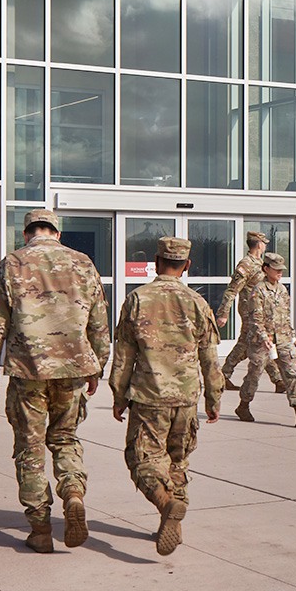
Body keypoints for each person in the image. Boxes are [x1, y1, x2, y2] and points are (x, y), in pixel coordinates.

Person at [0, 208, 111, 554]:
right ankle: (73, 492)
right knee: (65, 438)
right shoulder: (83, 263)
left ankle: (40, 528)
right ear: (57, 233)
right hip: (73, 370)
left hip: (27, 372)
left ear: (26, 234)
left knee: (29, 448)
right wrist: (97, 367)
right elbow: (99, 322)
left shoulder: (11, 264)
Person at [109, 235, 224, 557]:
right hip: (186, 399)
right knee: (177, 461)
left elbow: (123, 355)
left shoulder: (137, 299)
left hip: (149, 398)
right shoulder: (198, 303)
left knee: (141, 459)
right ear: (186, 266)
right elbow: (210, 360)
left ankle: (166, 503)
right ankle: (174, 518)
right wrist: (214, 399)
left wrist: (118, 395)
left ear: (156, 263)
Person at [234, 252, 296, 428]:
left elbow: (285, 316)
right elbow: (255, 319)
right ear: (266, 269)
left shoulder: (282, 289)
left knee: (291, 374)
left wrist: (293, 337)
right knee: (254, 375)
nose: (280, 272)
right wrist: (264, 337)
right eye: (276, 269)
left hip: (283, 339)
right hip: (262, 341)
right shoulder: (258, 290)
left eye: (281, 270)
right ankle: (243, 406)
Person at [221, 230, 284, 394]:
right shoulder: (246, 265)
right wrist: (223, 313)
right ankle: (278, 380)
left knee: (251, 343)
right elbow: (231, 291)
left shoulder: (261, 263)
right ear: (259, 244)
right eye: (264, 243)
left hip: (261, 311)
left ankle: (223, 376)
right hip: (250, 312)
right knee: (259, 344)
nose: (264, 246)